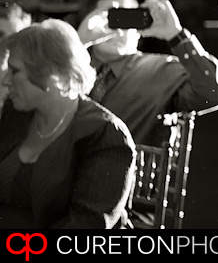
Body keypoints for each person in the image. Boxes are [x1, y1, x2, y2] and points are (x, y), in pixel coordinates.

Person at [0, 20, 135, 228]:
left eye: (15, 71)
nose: (6, 81)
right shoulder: (16, 113)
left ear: (50, 75)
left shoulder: (106, 134)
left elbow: (87, 224)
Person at [76, 0, 218, 147]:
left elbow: (213, 93)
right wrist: (78, 42)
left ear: (138, 29)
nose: (118, 29)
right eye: (109, 19)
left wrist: (175, 34)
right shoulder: (69, 66)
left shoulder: (161, 71)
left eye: (125, 18)